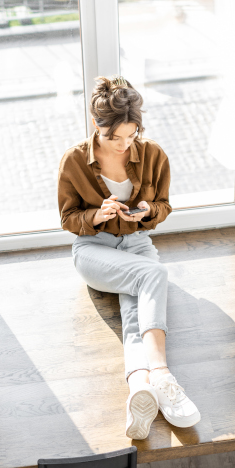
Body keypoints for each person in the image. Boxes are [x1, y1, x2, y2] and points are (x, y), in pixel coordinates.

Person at [57, 75, 201, 440]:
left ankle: (141, 386)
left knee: (135, 305)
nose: (123, 145)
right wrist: (96, 216)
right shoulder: (74, 160)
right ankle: (164, 376)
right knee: (153, 277)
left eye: (131, 135)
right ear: (96, 125)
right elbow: (67, 219)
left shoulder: (153, 154)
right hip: (93, 249)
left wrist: (145, 211)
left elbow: (164, 205)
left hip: (136, 243)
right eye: (113, 137)